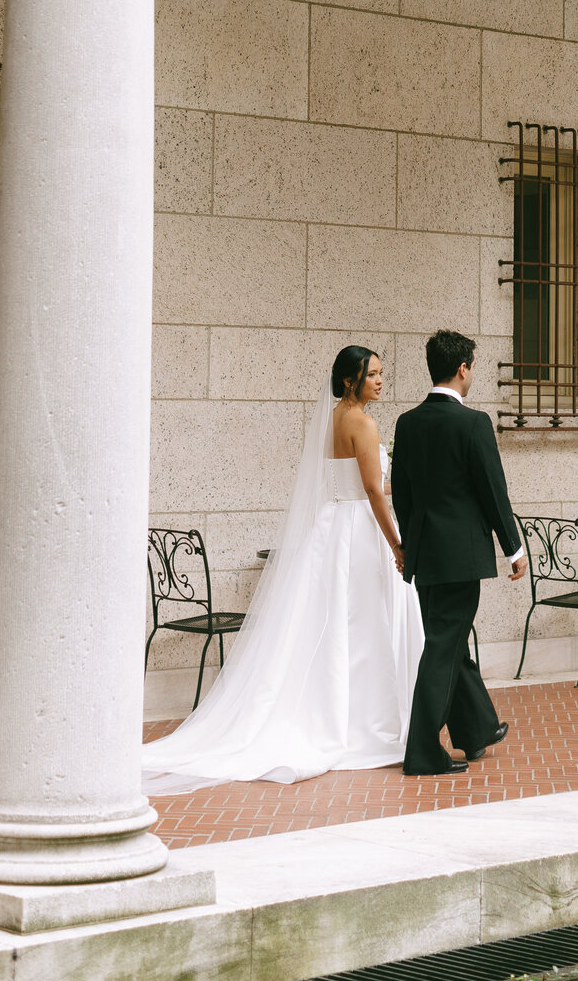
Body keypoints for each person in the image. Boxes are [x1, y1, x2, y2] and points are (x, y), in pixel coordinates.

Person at [142, 346, 424, 790]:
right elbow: (372, 491)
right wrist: (398, 544)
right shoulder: (363, 423)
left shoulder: (331, 420)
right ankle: (362, 722)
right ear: (351, 380)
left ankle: (331, 709)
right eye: (373, 374)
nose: (381, 381)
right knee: (364, 626)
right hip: (359, 532)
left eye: (381, 373)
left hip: (330, 529)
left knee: (326, 625)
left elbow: (355, 478)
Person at [392, 329, 526, 776]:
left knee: (448, 642)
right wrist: (514, 548)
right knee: (442, 648)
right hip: (460, 557)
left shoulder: (407, 423)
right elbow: (493, 491)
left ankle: (475, 729)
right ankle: (423, 751)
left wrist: (408, 547)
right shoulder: (474, 423)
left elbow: (403, 496)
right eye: (472, 366)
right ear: (463, 367)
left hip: (427, 557)